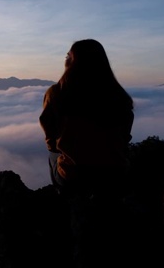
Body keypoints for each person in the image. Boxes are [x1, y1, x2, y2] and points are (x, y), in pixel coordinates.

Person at [39, 39, 134, 267]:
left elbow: (50, 139)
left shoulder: (57, 94)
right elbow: (124, 140)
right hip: (115, 178)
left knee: (53, 156)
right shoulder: (121, 99)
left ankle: (64, 201)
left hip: (76, 178)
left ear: (71, 61)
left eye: (67, 56)